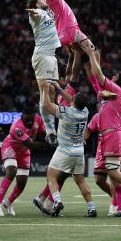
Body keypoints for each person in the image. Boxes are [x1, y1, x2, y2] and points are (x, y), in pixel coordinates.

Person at [80, 41, 121, 206]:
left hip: (113, 134)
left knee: (113, 172)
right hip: (105, 136)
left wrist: (91, 54)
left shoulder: (117, 91)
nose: (113, 77)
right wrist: (89, 59)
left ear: (118, 82)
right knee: (102, 177)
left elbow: (99, 75)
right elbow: (93, 77)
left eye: (115, 77)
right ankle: (119, 204)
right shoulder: (107, 96)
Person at [39, 80, 96, 217]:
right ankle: (91, 208)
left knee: (51, 176)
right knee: (80, 180)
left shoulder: (65, 112)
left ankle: (57, 201)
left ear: (74, 102)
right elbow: (73, 100)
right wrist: (59, 89)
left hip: (65, 150)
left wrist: (45, 89)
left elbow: (46, 105)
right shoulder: (85, 112)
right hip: (79, 152)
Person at [85, 100, 121, 217]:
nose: (101, 106)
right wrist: (82, 141)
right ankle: (116, 202)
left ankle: (120, 206)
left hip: (116, 147)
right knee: (99, 180)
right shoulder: (98, 116)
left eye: (103, 104)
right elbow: (88, 130)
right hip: (101, 150)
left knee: (114, 176)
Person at [26, 0, 62, 144]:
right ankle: (49, 132)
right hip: (42, 55)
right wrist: (32, 10)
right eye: (40, 0)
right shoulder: (38, 14)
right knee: (46, 92)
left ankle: (52, 131)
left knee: (52, 93)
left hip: (51, 56)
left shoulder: (44, 10)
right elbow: (32, 11)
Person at [0, 106, 45, 217]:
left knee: (22, 183)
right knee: (11, 171)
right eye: (27, 119)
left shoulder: (39, 119)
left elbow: (42, 136)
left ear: (35, 115)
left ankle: (8, 203)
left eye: (32, 118)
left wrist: (45, 139)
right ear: (22, 116)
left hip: (24, 152)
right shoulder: (16, 127)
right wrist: (47, 143)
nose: (30, 121)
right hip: (10, 147)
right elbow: (32, 145)